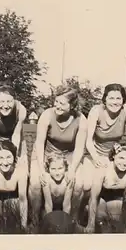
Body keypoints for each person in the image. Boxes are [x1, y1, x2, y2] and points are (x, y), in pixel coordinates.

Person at [84, 83, 126, 232]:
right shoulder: (96, 111)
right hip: (96, 153)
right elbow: (88, 140)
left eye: (118, 98)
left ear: (123, 100)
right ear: (104, 99)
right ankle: (86, 217)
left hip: (117, 155)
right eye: (111, 98)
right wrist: (96, 158)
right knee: (87, 184)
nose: (115, 102)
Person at [28, 86, 88, 228]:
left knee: (78, 184)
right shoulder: (47, 115)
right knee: (36, 183)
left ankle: (73, 220)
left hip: (69, 156)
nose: (57, 106)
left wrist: (72, 170)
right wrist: (42, 169)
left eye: (62, 103)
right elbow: (39, 144)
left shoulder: (81, 120)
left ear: (72, 105)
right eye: (56, 102)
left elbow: (80, 148)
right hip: (45, 154)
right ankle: (35, 221)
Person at [83, 142, 126, 233]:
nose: (124, 163)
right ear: (113, 156)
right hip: (100, 195)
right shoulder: (103, 168)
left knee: (114, 221)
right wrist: (90, 225)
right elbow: (93, 198)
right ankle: (85, 214)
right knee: (100, 220)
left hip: (116, 196)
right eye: (121, 158)